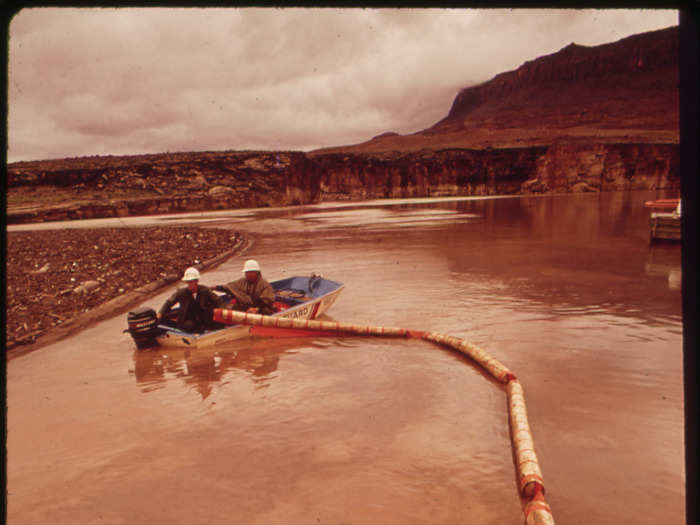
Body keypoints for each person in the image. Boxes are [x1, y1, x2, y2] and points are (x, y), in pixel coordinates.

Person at [158, 267, 224, 333]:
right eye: (187, 282)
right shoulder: (181, 293)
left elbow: (218, 300)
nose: (189, 284)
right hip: (188, 320)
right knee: (189, 326)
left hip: (203, 318)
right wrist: (160, 313)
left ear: (196, 281)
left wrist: (223, 311)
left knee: (217, 322)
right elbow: (169, 302)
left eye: (191, 282)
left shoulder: (205, 290)